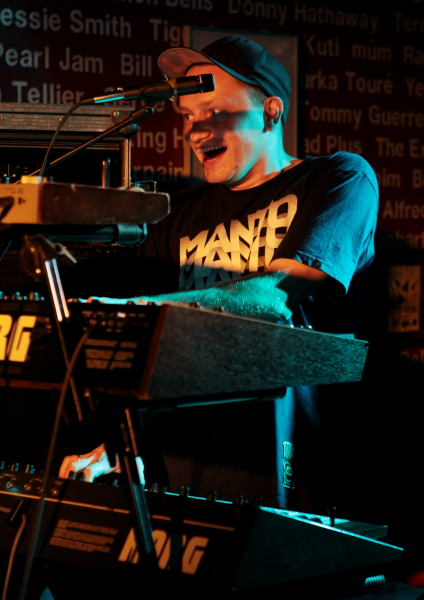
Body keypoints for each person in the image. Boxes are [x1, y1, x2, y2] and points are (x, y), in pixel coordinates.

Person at [59, 36, 378, 511]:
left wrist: (132, 312)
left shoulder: (339, 178)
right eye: (188, 116)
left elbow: (273, 296)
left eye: (214, 111)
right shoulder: (175, 214)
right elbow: (156, 355)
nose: (194, 130)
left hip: (290, 463)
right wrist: (122, 446)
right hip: (185, 463)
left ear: (270, 112)